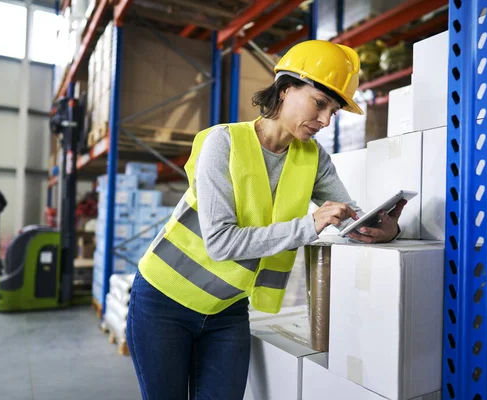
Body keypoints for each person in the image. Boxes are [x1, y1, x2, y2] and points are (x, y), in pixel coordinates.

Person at [126, 40, 407, 400]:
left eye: (333, 112)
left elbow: (348, 216)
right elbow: (221, 243)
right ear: (286, 88)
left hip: (226, 309)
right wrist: (311, 225)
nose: (324, 120)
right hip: (164, 301)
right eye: (320, 103)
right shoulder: (222, 143)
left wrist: (385, 228)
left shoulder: (313, 158)